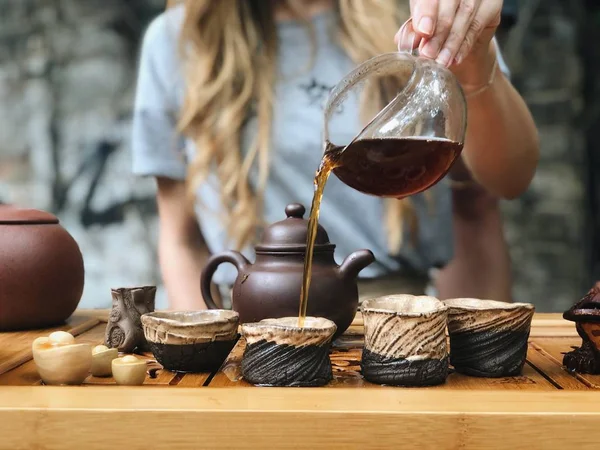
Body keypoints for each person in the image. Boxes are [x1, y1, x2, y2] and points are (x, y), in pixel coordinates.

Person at [132, 0, 539, 310]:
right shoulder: (180, 40)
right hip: (249, 328)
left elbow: (502, 185)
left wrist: (476, 61)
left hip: (391, 318)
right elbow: (182, 240)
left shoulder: (421, 19)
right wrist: (204, 369)